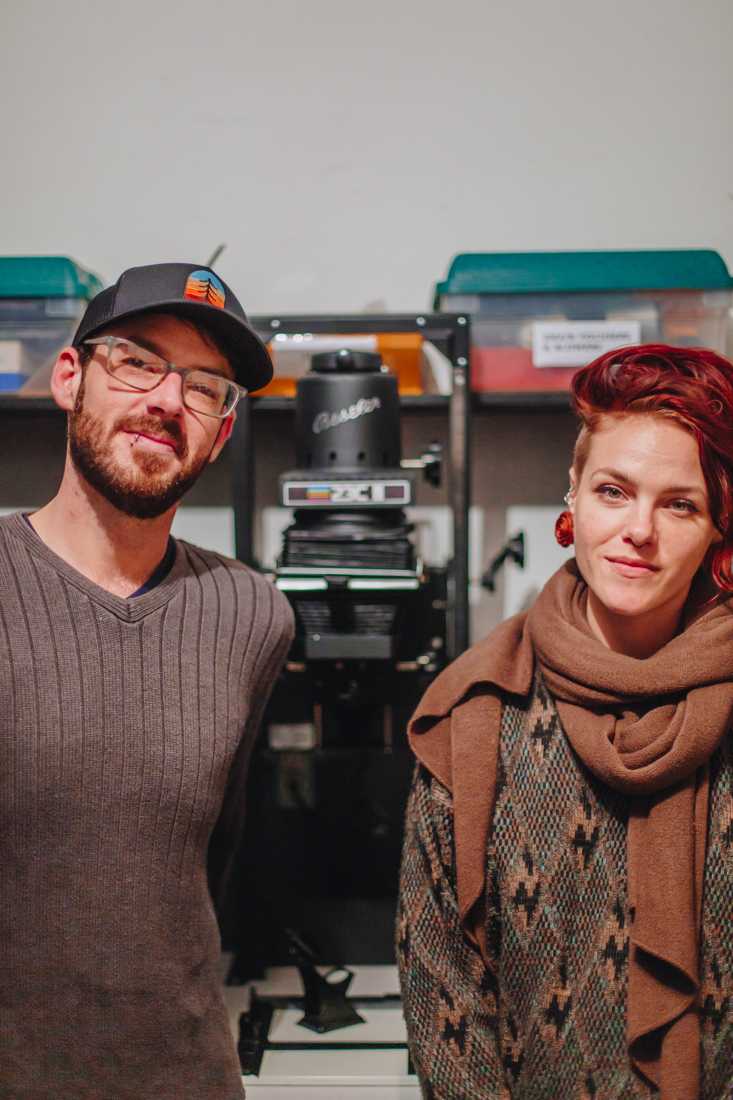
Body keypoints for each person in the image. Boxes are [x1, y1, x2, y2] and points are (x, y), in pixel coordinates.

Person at [397, 344, 733, 1100]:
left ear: (717, 529)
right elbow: (441, 992)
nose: (638, 530)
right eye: (614, 491)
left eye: (679, 504)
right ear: (572, 495)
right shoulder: (475, 714)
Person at [0, 263, 294, 1099]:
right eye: (137, 361)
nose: (169, 401)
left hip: (188, 1077)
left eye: (206, 387)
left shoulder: (251, 613)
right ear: (70, 377)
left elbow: (213, 856)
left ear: (222, 431)